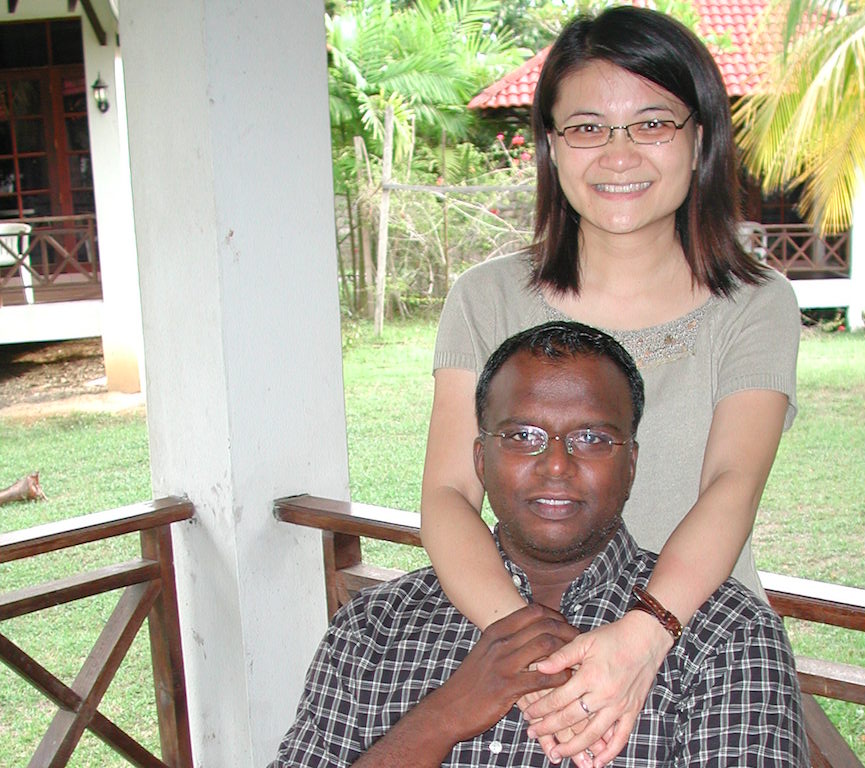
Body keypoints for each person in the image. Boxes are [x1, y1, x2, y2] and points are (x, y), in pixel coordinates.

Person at [421, 6, 801, 764]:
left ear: (699, 139)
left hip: (697, 646)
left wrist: (639, 637)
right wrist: (532, 649)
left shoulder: (755, 304)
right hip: (516, 645)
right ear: (552, 148)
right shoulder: (485, 296)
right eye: (588, 127)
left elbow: (730, 484)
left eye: (652, 123)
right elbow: (446, 495)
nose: (618, 154)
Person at [271, 322, 808, 767]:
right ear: (481, 461)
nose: (556, 465)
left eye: (592, 438)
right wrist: (445, 715)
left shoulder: (725, 636)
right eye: (523, 436)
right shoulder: (374, 628)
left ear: (631, 466)